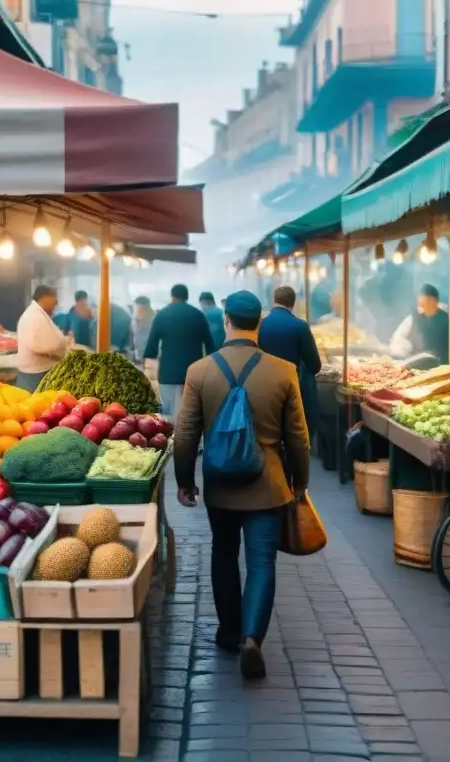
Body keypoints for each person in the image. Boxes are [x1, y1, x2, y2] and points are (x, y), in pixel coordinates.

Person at [174, 290, 310, 679]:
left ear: (226, 322)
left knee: (223, 554)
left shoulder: (199, 371)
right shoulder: (284, 371)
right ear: (259, 324)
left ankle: (229, 632)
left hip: (220, 483)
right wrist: (300, 480)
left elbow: (185, 434)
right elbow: (298, 436)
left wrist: (185, 481)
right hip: (268, 485)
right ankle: (253, 638)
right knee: (262, 562)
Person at [143, 284, 216, 418]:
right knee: (190, 416)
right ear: (186, 297)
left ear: (172, 296)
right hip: (193, 375)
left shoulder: (162, 315)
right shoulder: (198, 315)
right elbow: (211, 346)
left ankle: (172, 438)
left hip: (168, 375)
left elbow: (151, 349)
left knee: (169, 416)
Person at [258, 286, 321, 438]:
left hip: (264, 388)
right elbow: (314, 365)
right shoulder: (300, 326)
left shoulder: (259, 325)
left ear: (274, 301)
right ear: (293, 303)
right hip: (292, 390)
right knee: (293, 435)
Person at [15, 284, 71, 392]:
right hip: (34, 377)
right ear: (45, 297)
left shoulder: (38, 314)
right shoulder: (34, 317)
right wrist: (63, 351)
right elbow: (44, 346)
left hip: (37, 375)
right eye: (54, 300)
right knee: (33, 406)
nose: (56, 304)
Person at [389, 284, 450, 366]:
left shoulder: (447, 318)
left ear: (433, 300)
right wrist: (404, 350)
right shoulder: (413, 318)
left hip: (442, 366)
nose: (419, 300)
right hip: (417, 366)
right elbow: (398, 338)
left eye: (423, 297)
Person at [131, 296, 155, 363]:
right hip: (137, 353)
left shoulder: (154, 318)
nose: (136, 308)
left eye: (138, 306)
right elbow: (133, 333)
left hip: (149, 353)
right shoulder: (134, 317)